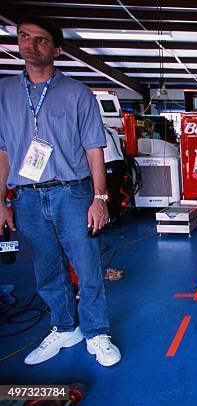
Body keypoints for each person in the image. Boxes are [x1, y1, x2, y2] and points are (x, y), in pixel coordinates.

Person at [0, 16, 120, 366]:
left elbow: (94, 148)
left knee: (87, 266)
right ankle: (65, 327)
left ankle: (97, 333)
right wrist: (1, 200)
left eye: (40, 39)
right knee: (46, 268)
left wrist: (100, 198)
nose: (30, 45)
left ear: (56, 49)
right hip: (27, 196)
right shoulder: (5, 92)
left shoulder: (78, 93)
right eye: (24, 37)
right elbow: (4, 151)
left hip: (73, 192)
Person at [102, 125, 126, 226]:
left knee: (106, 191)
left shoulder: (98, 131)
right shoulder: (112, 131)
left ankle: (111, 217)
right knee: (115, 191)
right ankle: (115, 216)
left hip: (109, 162)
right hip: (120, 162)